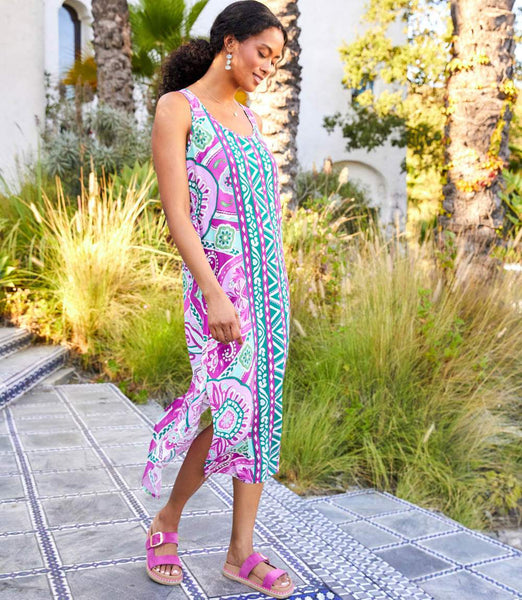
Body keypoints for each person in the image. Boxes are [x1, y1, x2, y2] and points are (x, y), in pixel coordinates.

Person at [141, 1, 293, 597]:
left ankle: (240, 552)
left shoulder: (250, 120)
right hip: (219, 287)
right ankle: (168, 517)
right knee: (227, 408)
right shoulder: (177, 108)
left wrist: (276, 290)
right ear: (231, 43)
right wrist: (213, 293)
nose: (268, 67)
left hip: (269, 291)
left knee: (261, 416)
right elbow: (177, 213)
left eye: (276, 60)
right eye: (263, 52)